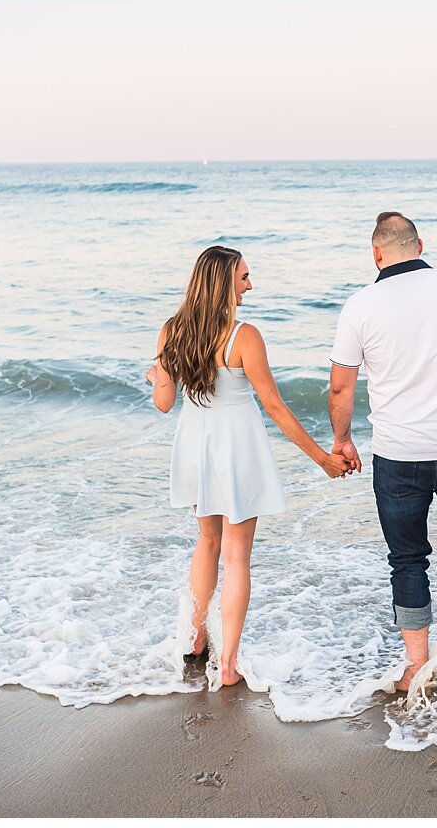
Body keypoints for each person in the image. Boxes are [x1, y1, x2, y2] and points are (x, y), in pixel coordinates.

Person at [148, 245, 353, 687]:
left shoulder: (171, 331)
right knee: (236, 556)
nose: (250, 284)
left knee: (206, 542)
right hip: (236, 449)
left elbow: (164, 403)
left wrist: (156, 375)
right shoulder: (244, 335)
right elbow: (275, 407)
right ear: (223, 281)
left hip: (196, 448)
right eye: (244, 276)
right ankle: (228, 665)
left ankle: (196, 639)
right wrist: (321, 459)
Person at [327, 213, 437, 691]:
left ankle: (418, 667)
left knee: (407, 558)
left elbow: (340, 388)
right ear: (420, 244)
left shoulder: (360, 305)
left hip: (398, 453)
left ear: (376, 254)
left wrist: (342, 440)